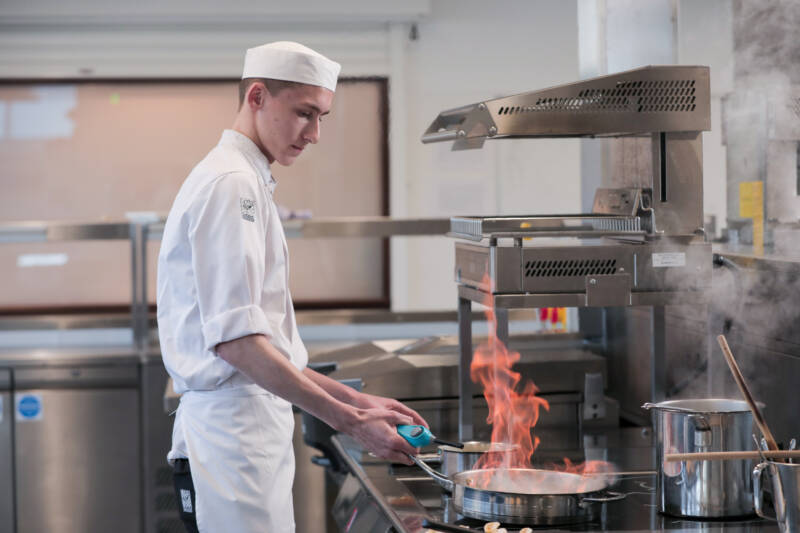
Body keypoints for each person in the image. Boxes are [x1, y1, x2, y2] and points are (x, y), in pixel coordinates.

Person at [156, 41, 427, 533]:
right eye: (305, 113)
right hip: (234, 441)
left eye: (322, 117)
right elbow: (238, 345)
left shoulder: (247, 179)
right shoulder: (230, 184)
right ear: (257, 96)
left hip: (246, 435)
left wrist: (357, 401)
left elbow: (267, 348)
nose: (315, 134)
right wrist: (351, 423)